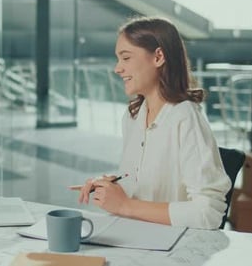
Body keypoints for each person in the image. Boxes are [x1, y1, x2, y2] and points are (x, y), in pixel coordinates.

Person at [73, 16, 231, 230]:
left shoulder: (185, 117)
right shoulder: (132, 116)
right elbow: (139, 187)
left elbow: (208, 212)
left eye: (126, 58)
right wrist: (112, 187)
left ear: (158, 57)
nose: (117, 69)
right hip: (134, 237)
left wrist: (125, 205)